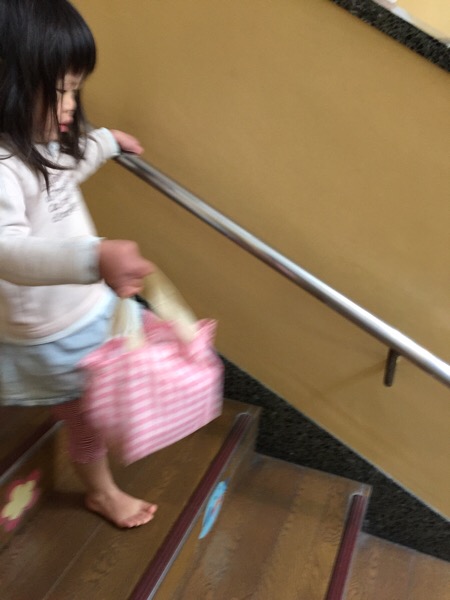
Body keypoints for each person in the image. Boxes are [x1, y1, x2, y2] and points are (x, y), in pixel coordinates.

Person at [0, 0, 158, 528]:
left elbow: (69, 167)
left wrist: (106, 142)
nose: (71, 105)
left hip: (89, 310)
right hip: (50, 334)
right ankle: (101, 491)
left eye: (75, 90)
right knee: (85, 416)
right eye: (59, 91)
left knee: (102, 397)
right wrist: (94, 256)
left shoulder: (42, 141)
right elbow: (8, 252)